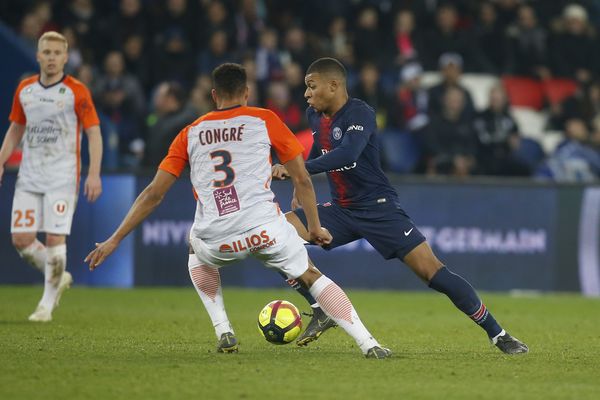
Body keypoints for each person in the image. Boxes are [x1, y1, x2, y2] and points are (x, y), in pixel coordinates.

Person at [84, 63, 391, 359]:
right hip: (265, 230)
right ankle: (369, 343)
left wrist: (114, 239)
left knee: (194, 247)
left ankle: (223, 330)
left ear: (214, 95)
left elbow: (153, 194)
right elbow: (302, 179)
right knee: (312, 276)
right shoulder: (264, 119)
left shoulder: (189, 133)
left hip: (216, 239)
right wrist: (313, 227)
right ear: (246, 92)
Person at [271, 57, 528, 354]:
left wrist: (298, 170)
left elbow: (348, 154)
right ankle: (321, 308)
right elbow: (319, 149)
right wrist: (299, 187)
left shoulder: (361, 112)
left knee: (434, 273)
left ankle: (499, 334)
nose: (306, 93)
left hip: (379, 208)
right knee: (275, 235)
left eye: (311, 86)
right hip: (341, 209)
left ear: (333, 85)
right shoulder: (314, 116)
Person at [0, 31, 103, 322]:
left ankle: (46, 304)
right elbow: (16, 129)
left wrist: (94, 173)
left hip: (63, 176)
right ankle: (59, 274)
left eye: (57, 53)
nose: (52, 58)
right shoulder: (25, 90)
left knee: (55, 237)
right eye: (47, 52)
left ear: (66, 57)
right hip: (29, 176)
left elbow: (94, 133)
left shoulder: (76, 91)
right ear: (38, 56)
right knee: (21, 240)